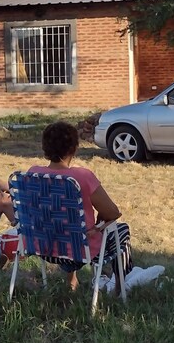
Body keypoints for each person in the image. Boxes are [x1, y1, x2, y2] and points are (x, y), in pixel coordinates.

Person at [27, 121, 131, 291]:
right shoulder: (82, 177)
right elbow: (113, 213)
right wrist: (100, 222)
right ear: (74, 148)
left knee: (64, 224)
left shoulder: (33, 173)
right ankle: (120, 288)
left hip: (43, 246)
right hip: (80, 252)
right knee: (122, 230)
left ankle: (72, 282)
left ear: (45, 148)